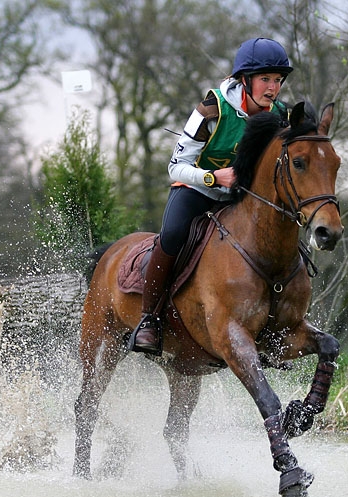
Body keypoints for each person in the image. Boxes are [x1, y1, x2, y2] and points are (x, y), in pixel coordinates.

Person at [129, 37, 294, 355]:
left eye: (277, 80)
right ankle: (150, 320)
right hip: (196, 191)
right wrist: (212, 177)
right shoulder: (212, 109)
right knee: (173, 235)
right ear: (245, 80)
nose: (273, 88)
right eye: (265, 79)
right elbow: (175, 167)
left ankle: (274, 329)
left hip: (240, 199)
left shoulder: (280, 115)